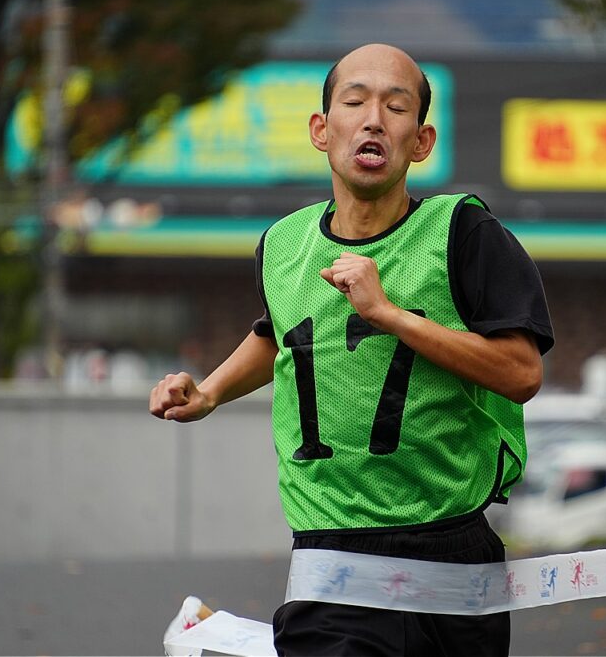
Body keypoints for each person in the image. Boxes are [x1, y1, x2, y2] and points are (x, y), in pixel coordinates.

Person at [150, 43, 554, 656]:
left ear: (420, 142)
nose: (373, 120)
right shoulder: (283, 244)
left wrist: (388, 314)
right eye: (355, 101)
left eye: (396, 108)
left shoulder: (465, 233)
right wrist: (209, 392)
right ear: (322, 129)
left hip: (452, 547)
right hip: (332, 547)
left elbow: (521, 373)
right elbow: (280, 333)